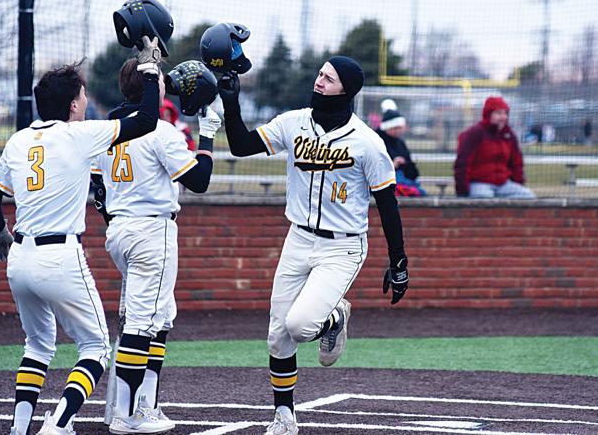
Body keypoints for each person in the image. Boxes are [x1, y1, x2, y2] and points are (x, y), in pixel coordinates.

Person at [0, 38, 163, 435]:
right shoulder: (79, 135)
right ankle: (59, 424)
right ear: (73, 105)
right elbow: (146, 121)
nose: (84, 101)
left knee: (37, 346)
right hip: (60, 257)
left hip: (20, 258)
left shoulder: (18, 139)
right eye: (81, 95)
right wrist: (149, 72)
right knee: (96, 348)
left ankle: (20, 428)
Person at [221, 56, 409, 435]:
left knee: (301, 326)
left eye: (329, 78)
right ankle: (285, 417)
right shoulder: (294, 123)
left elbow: (388, 203)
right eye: (320, 74)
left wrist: (398, 261)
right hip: (299, 237)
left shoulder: (367, 143)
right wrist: (231, 102)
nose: (319, 81)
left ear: (347, 89)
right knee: (277, 333)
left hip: (342, 247)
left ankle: (335, 317)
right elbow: (241, 146)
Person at [91, 58, 221, 434]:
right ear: (151, 86)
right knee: (144, 321)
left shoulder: (106, 128)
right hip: (152, 231)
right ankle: (127, 415)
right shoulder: (161, 132)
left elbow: (98, 190)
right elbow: (198, 181)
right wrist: (208, 137)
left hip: (120, 230)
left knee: (159, 317)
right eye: (161, 81)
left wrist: (117, 220)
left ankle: (144, 405)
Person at [454, 96, 535, 199]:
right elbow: (462, 164)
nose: (503, 117)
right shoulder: (474, 134)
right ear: (488, 114)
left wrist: (518, 183)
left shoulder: (509, 135)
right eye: (499, 113)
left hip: (503, 184)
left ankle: (505, 214)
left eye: (505, 113)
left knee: (527, 196)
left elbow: (517, 164)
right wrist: (463, 192)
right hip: (479, 183)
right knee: (485, 197)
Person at [376, 99, 426, 197]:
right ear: (387, 127)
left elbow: (413, 173)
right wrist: (392, 165)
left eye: (400, 127)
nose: (399, 131)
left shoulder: (400, 143)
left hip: (404, 181)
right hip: (388, 183)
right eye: (395, 128)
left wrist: (406, 164)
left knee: (420, 192)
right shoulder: (378, 141)